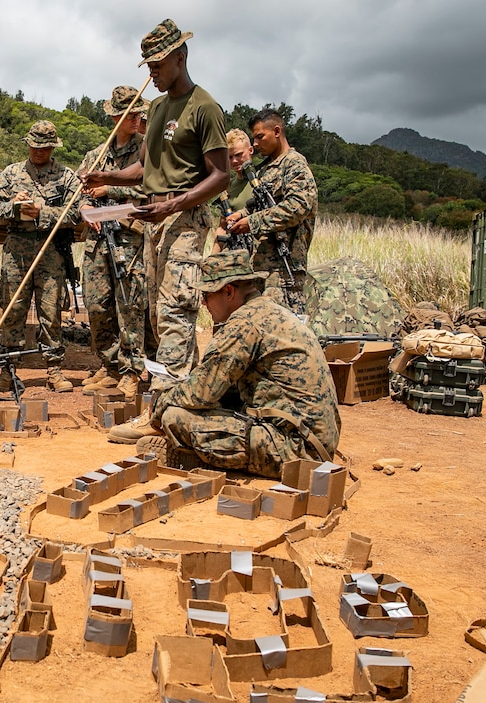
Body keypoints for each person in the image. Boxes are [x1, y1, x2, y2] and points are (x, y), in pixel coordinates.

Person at [83, 19, 229, 441]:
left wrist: (174, 204)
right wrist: (108, 178)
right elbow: (146, 168)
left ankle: (159, 417)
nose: (152, 73)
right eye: (147, 65)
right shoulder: (159, 109)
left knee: (175, 312)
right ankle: (190, 400)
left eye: (159, 64)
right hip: (154, 223)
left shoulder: (204, 108)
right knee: (156, 314)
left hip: (185, 221)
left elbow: (220, 176)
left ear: (181, 58)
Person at [133, 249, 340, 477]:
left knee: (174, 417)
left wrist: (161, 404)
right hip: (312, 439)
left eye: (207, 296)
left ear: (228, 292)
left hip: (296, 450)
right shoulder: (269, 311)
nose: (203, 304)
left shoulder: (244, 324)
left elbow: (201, 393)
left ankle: (196, 460)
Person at [0, 121, 82, 392]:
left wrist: (42, 212)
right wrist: (14, 206)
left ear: (53, 147)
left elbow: (75, 212)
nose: (39, 151)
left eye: (45, 147)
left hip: (51, 250)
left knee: (51, 310)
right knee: (13, 308)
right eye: (35, 146)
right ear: (28, 144)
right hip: (16, 249)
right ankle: (8, 369)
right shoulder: (10, 174)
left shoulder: (66, 176)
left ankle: (54, 369)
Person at [76, 86, 149, 400]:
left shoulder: (145, 150)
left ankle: (133, 370)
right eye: (128, 114)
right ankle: (110, 366)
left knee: (129, 304)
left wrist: (111, 190)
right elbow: (77, 190)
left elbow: (152, 192)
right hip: (97, 242)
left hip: (128, 239)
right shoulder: (97, 154)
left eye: (137, 114)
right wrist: (85, 206)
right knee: (96, 305)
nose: (135, 119)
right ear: (115, 117)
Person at [227, 108, 318, 315]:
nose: (256, 144)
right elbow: (254, 206)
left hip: (284, 268)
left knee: (285, 330)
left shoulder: (294, 164)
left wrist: (252, 222)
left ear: (277, 131)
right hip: (260, 267)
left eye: (260, 137)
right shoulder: (265, 169)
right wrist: (241, 215)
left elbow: (297, 207)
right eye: (253, 139)